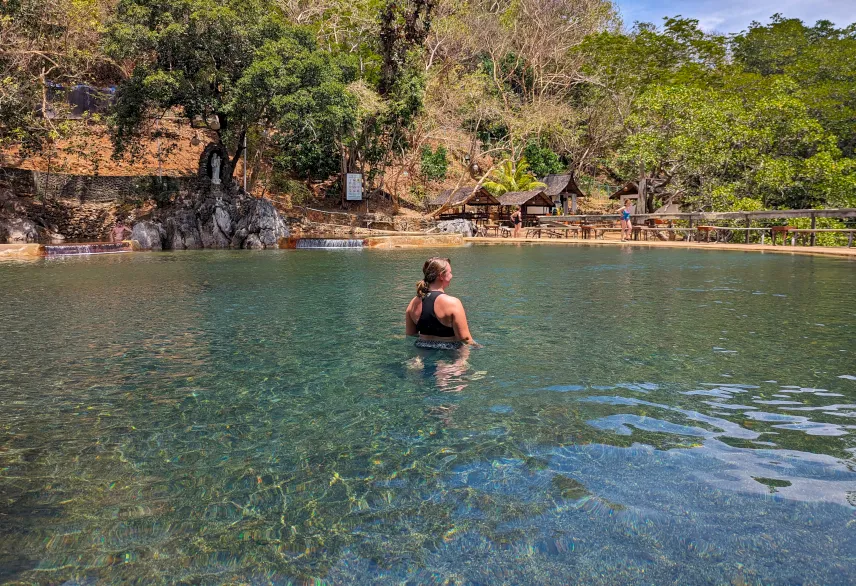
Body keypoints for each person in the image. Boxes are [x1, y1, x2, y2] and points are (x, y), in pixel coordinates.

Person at [405, 257, 475, 350]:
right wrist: (478, 347)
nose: (451, 276)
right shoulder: (453, 303)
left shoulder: (413, 303)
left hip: (422, 351)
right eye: (450, 272)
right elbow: (465, 338)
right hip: (449, 354)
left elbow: (411, 335)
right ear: (441, 276)